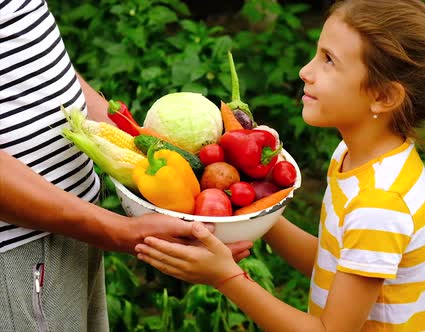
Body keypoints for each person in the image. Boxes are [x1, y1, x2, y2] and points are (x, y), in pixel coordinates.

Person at [134, 0, 425, 331]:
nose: (306, 70)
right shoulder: (358, 157)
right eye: (318, 53)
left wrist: (226, 277)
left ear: (384, 96)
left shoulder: (380, 204)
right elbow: (334, 263)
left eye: (329, 60)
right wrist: (251, 215)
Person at [0, 1, 252, 331]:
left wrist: (141, 143)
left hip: (72, 226)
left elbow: (27, 55)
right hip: (19, 249)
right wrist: (123, 232)